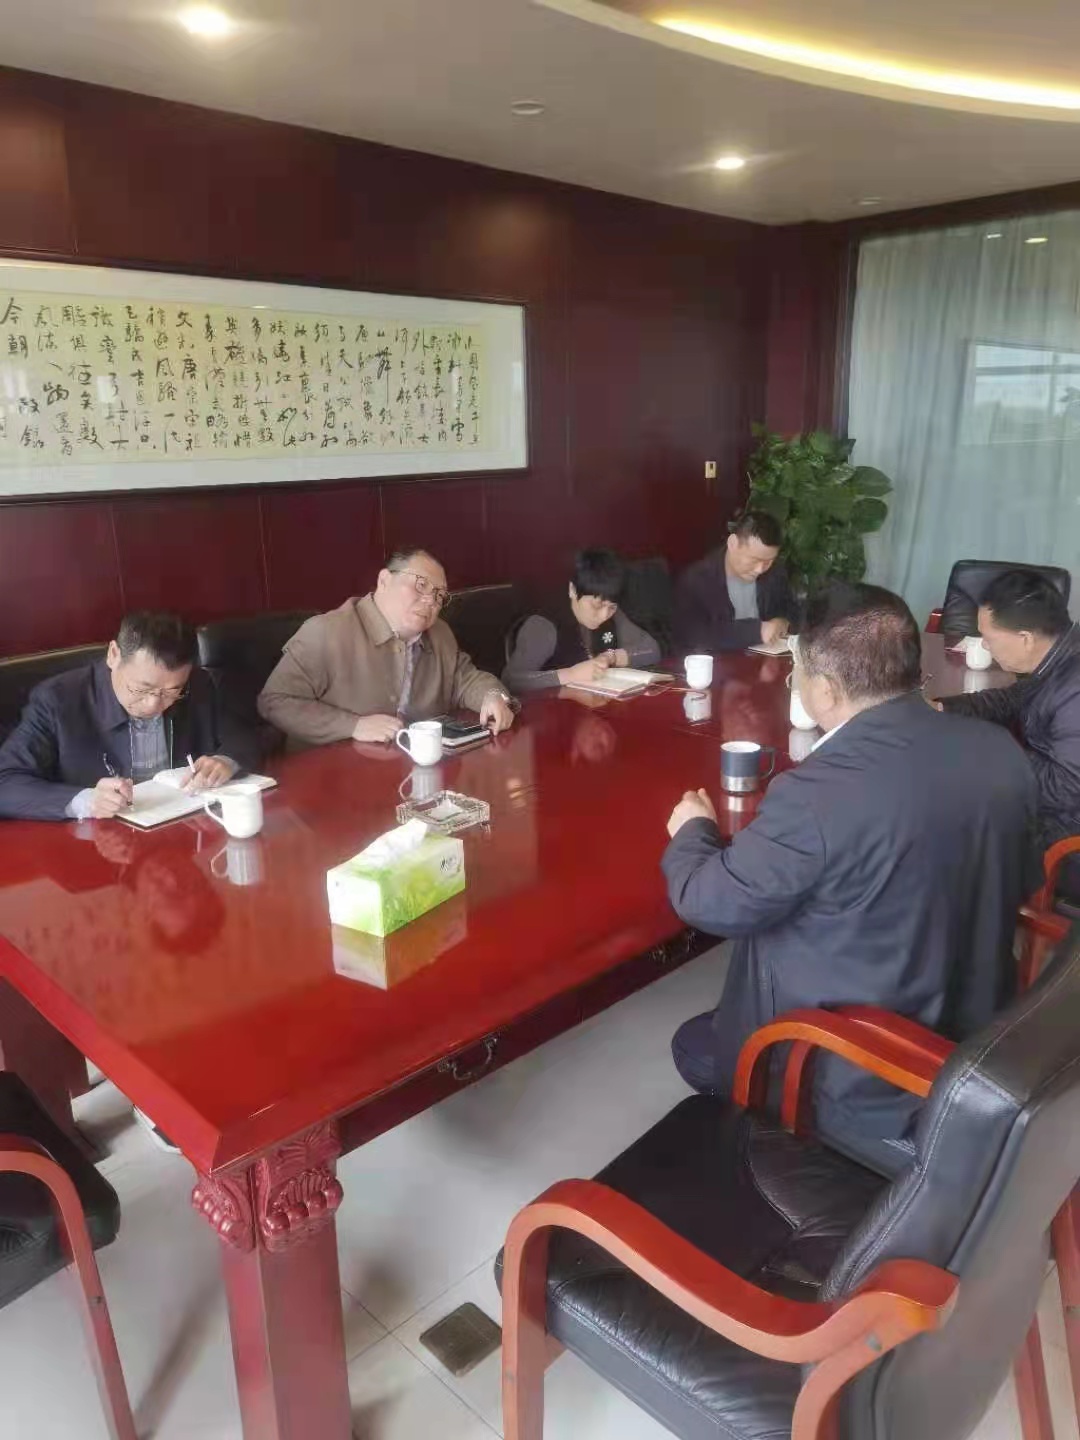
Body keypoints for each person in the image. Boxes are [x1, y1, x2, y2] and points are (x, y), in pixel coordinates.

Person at [662, 581, 1038, 1175]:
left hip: (867, 1075)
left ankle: (804, 1142)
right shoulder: (1000, 751)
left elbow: (708, 901)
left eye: (798, 673)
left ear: (824, 690)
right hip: (978, 1031)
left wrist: (693, 832)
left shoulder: (817, 794)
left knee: (694, 1045)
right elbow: (1022, 879)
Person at [0, 611, 254, 823]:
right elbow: (6, 782)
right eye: (141, 689)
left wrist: (225, 761)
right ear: (113, 655)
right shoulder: (58, 701)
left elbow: (246, 735)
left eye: (171, 692)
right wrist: (85, 800)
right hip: (101, 844)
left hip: (183, 831)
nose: (154, 704)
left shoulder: (197, 684)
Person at [258, 547, 516, 745]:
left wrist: (493, 696)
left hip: (411, 772)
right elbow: (275, 701)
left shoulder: (439, 633)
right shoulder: (327, 632)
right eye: (421, 585)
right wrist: (353, 725)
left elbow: (468, 680)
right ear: (384, 580)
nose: (430, 601)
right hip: (330, 777)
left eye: (439, 595)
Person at [939, 569, 1080, 851]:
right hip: (1049, 804)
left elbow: (1064, 789)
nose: (985, 645)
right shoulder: (1058, 656)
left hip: (1064, 832)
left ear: (1025, 638)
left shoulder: (1074, 690)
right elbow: (1011, 699)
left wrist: (986, 752)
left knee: (940, 812)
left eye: (988, 637)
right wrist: (943, 708)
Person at [501, 547, 661, 693]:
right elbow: (512, 680)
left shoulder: (613, 615)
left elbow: (652, 649)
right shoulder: (543, 625)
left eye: (611, 607)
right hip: (555, 711)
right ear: (572, 590)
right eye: (596, 606)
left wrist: (611, 657)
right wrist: (570, 674)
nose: (604, 615)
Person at [672, 510, 798, 654]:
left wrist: (783, 621)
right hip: (719, 663)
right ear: (733, 544)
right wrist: (756, 631)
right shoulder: (697, 580)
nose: (760, 569)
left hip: (765, 661)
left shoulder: (774, 573)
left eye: (768, 561)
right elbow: (693, 635)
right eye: (754, 560)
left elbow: (793, 610)